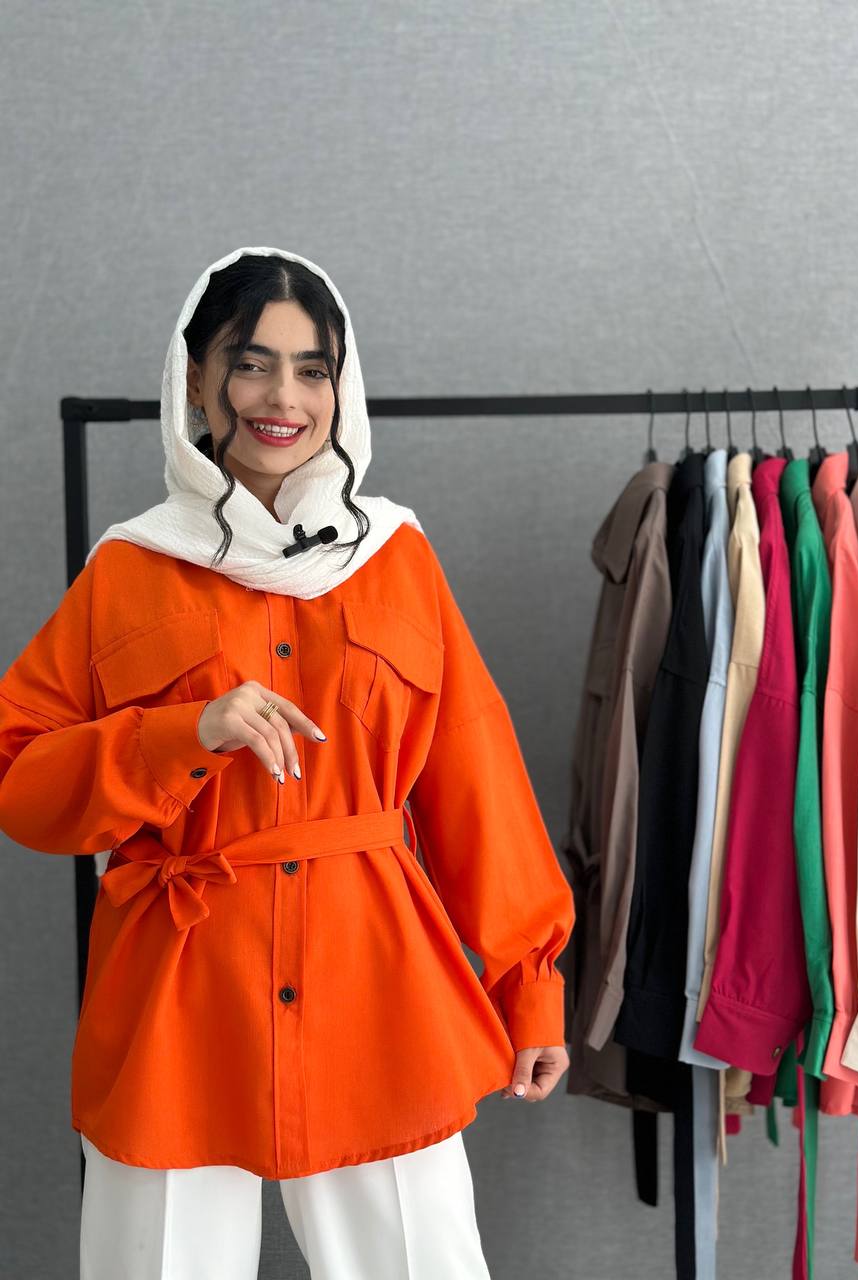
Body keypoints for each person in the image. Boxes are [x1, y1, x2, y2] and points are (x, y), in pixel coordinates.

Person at [0, 245, 576, 1279]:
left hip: (376, 991)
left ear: (340, 388)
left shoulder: (396, 558)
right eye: (251, 362)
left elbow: (475, 776)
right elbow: (23, 783)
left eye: (313, 369)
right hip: (176, 1004)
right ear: (196, 379)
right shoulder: (127, 571)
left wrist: (528, 983)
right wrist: (182, 734)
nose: (284, 397)